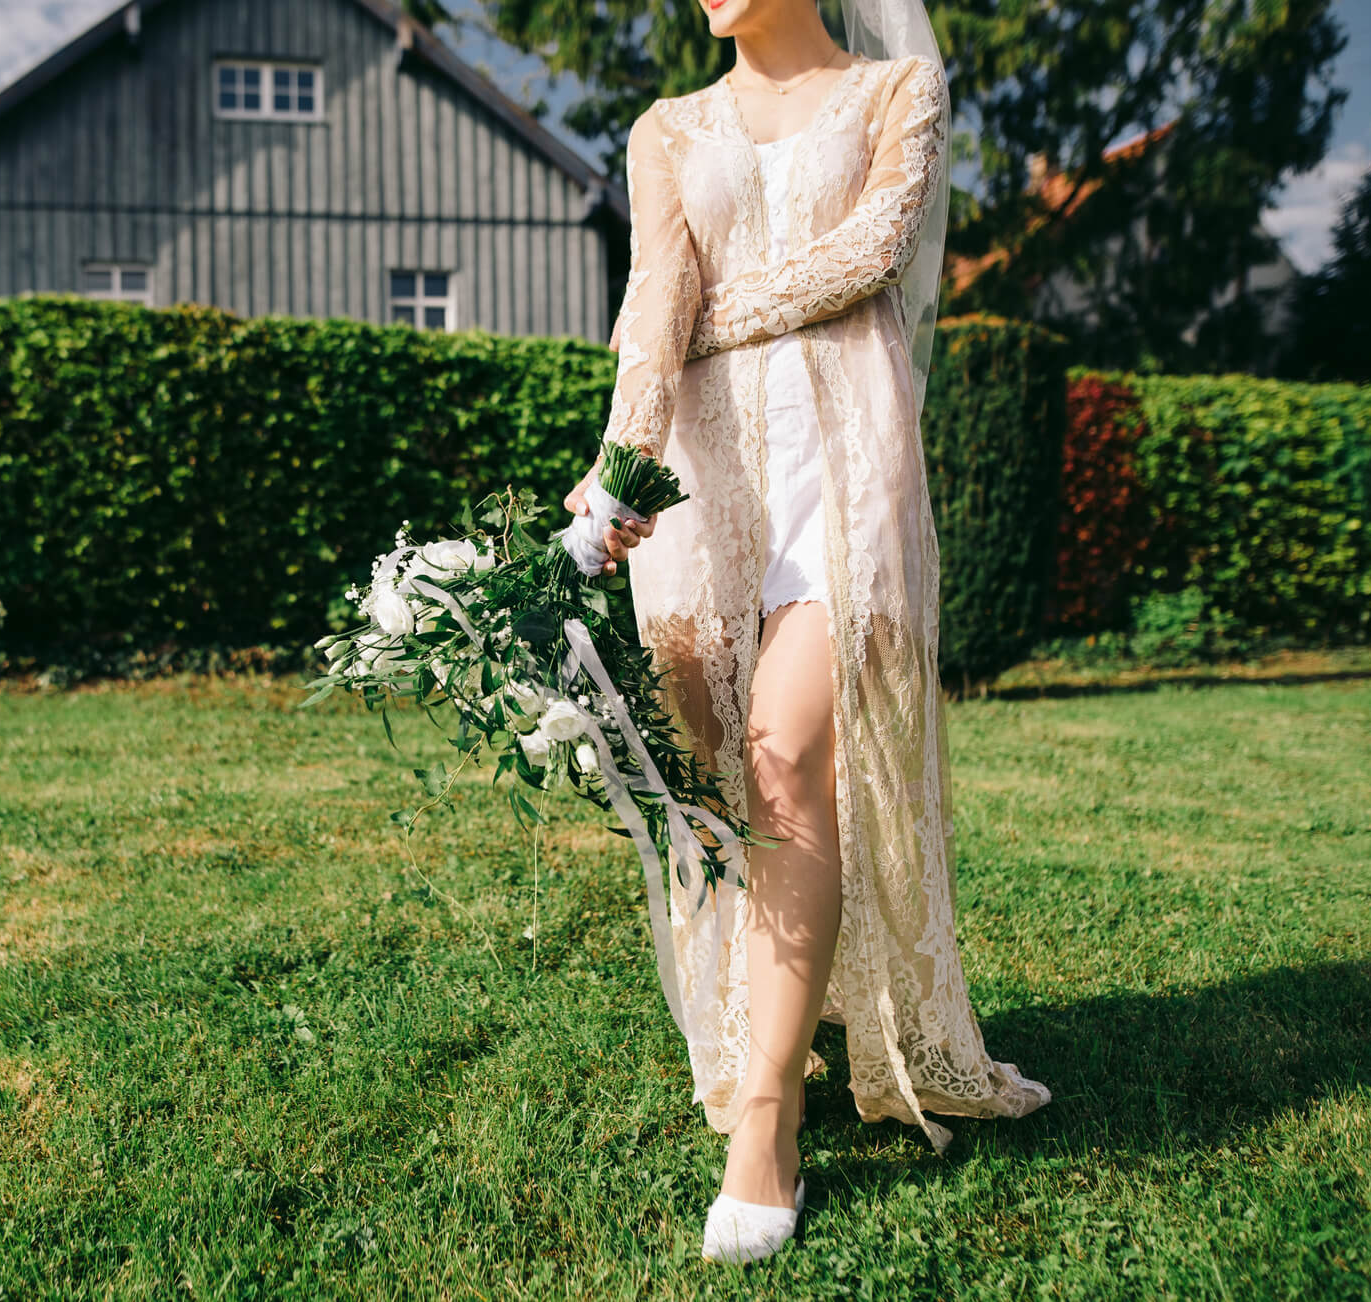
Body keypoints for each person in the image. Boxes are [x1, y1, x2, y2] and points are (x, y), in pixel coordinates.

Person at [563, 0, 1052, 1265]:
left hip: (846, 472)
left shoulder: (898, 95)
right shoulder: (663, 128)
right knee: (719, 785)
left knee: (787, 759)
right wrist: (619, 470)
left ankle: (766, 1126)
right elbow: (650, 293)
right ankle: (770, 1027)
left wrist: (692, 326)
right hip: (703, 486)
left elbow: (870, 255)